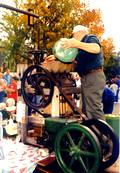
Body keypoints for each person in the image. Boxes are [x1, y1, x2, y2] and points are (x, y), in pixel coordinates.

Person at [60, 25, 106, 120]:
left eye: (73, 35)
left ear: (79, 32)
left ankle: (103, 134)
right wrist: (56, 57)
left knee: (93, 109)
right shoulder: (81, 49)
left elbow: (96, 48)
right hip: (88, 77)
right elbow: (73, 60)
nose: (73, 38)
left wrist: (76, 43)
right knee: (87, 110)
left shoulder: (89, 38)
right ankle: (93, 132)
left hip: (93, 76)